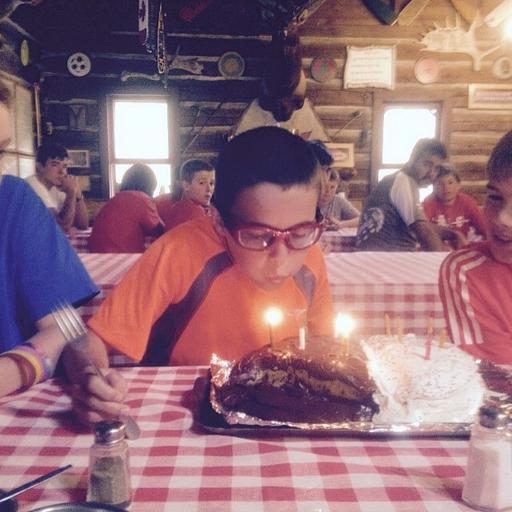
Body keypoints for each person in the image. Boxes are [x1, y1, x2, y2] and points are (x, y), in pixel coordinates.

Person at [61, 126, 334, 424]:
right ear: (217, 220)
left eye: (300, 232)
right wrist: (89, 378)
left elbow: (326, 346)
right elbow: (87, 342)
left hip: (280, 417)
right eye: (257, 236)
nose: (281, 260)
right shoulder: (178, 253)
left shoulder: (311, 258)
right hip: (179, 417)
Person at [0, 80, 98, 398]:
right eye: (56, 164)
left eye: (0, 151)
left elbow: (67, 325)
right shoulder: (32, 190)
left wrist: (15, 369)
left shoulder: (14, 199)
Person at [439, 131, 512, 365]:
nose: (503, 219)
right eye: (495, 197)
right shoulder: (467, 271)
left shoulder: (466, 203)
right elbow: (498, 379)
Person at [355, 138, 465, 251]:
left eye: (436, 168)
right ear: (412, 159)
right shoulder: (403, 181)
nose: (431, 173)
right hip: (386, 257)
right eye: (426, 164)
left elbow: (422, 225)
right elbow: (424, 232)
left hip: (373, 254)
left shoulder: (394, 179)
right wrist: (441, 259)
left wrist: (452, 234)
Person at [234, 32, 328, 141]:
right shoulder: (296, 99)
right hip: (285, 71)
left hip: (279, 71)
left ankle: (281, 38)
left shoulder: (268, 99)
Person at [88, 163, 164, 253]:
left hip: (95, 254)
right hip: (122, 255)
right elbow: (160, 232)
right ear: (150, 185)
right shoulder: (142, 199)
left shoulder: (115, 199)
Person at [26, 142, 89, 232]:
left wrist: (77, 193)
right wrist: (71, 192)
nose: (62, 172)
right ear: (40, 167)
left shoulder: (56, 186)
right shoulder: (32, 185)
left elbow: (83, 225)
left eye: (64, 166)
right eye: (55, 165)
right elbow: (60, 227)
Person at [423, 163, 487, 242]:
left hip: (463, 246)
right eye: (440, 183)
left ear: (458, 185)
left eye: (450, 182)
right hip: (437, 247)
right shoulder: (428, 203)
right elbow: (423, 229)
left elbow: (484, 229)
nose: (446, 187)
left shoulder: (467, 202)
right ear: (433, 187)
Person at [309, 140, 360, 229]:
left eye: (325, 170)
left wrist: (341, 224)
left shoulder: (338, 200)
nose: (327, 191)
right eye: (319, 170)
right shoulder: (305, 199)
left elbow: (362, 219)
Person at [156, 159, 215, 232]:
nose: (209, 189)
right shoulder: (197, 213)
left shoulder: (175, 207)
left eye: (212, 183)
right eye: (202, 183)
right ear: (186, 185)